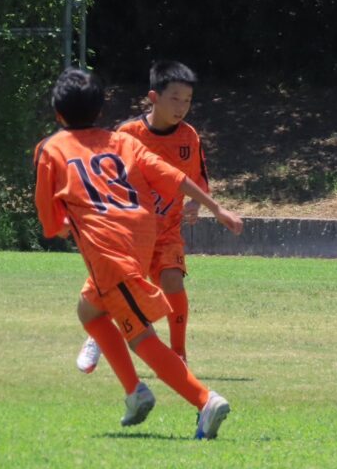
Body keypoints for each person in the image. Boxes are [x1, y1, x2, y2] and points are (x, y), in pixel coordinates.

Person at [35, 67, 244, 439]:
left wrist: (66, 223)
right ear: (100, 110)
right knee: (88, 311)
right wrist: (217, 209)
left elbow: (50, 221)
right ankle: (134, 392)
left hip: (111, 252)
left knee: (140, 337)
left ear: (58, 114)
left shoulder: (50, 149)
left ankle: (205, 401)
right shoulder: (123, 141)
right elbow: (174, 176)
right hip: (142, 236)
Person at [76, 60, 209, 373]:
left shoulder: (189, 137)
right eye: (174, 99)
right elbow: (104, 178)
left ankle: (179, 355)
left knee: (172, 279)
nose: (181, 107)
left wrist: (196, 202)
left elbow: (199, 177)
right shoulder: (127, 134)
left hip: (167, 231)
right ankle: (99, 333)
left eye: (187, 100)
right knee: (114, 287)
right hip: (129, 234)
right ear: (153, 97)